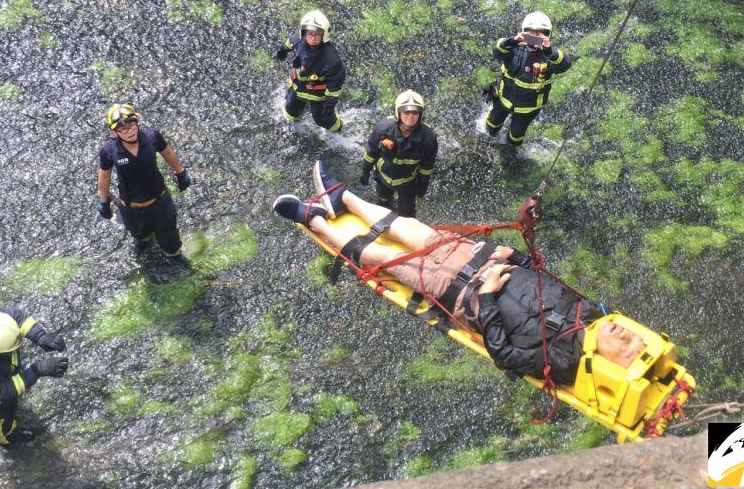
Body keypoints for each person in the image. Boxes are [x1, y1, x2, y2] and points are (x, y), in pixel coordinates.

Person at [276, 162, 646, 384]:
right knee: (414, 229)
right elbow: (544, 282)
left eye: (626, 345)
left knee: (388, 259)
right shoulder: (593, 313)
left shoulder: (561, 362)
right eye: (633, 335)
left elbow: (502, 352)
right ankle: (345, 200)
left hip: (463, 291)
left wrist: (486, 296)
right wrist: (515, 256)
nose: (625, 333)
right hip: (486, 260)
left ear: (613, 365)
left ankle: (318, 222)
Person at [0, 306, 69, 446]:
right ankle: (10, 439)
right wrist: (36, 371)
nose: (18, 344)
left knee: (17, 389)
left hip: (4, 369)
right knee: (3, 423)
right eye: (13, 344)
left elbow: (18, 317)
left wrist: (40, 336)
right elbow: (0, 392)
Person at [96, 103, 191, 265]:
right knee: (139, 235)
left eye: (132, 126)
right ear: (114, 132)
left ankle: (175, 259)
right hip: (132, 208)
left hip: (160, 202)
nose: (130, 131)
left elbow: (167, 152)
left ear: (137, 122)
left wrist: (180, 172)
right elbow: (104, 175)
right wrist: (103, 201)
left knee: (171, 242)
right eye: (123, 129)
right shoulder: (109, 151)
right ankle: (144, 240)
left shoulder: (152, 137)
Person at [484, 11, 572, 146]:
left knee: (515, 139)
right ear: (524, 31)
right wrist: (513, 41)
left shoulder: (550, 56)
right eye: (530, 33)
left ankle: (511, 153)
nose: (535, 37)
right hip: (503, 100)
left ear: (548, 35)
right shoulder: (513, 48)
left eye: (540, 33)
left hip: (528, 109)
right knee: (491, 126)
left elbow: (564, 64)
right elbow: (496, 50)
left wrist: (548, 51)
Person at [359, 89, 438, 218]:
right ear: (398, 112)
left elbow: (427, 166)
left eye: (415, 112)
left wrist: (423, 184)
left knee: (407, 216)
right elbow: (371, 152)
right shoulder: (382, 129)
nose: (410, 116)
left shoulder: (428, 138)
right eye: (406, 112)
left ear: (420, 114)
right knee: (383, 202)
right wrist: (365, 170)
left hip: (408, 182)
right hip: (383, 177)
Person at [275, 10, 346, 132]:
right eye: (309, 33)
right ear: (303, 33)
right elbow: (289, 43)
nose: (312, 38)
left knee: (323, 119)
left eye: (317, 34)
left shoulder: (331, 59)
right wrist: (282, 52)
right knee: (290, 112)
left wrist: (328, 108)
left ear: (324, 34)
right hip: (297, 88)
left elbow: (334, 87)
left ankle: (339, 128)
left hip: (317, 95)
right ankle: (289, 126)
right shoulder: (298, 39)